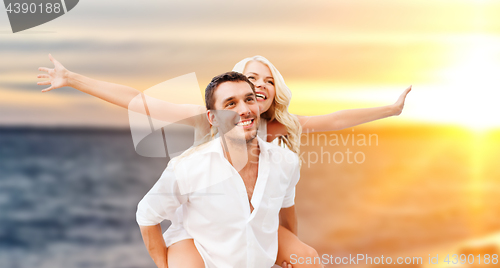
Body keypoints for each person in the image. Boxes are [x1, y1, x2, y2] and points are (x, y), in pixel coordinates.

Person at [37, 55, 411, 267]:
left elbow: (337, 120)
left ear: (273, 90)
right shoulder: (211, 117)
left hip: (250, 221)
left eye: (267, 80)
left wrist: (391, 110)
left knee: (307, 258)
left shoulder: (282, 128)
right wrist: (72, 78)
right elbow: (140, 102)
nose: (259, 86)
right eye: (251, 78)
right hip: (201, 223)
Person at [136, 71, 314, 268]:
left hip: (254, 252)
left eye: (249, 99)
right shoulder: (188, 167)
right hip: (204, 254)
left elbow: (286, 208)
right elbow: (147, 215)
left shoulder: (285, 161)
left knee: (308, 260)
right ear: (213, 118)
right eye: (231, 104)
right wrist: (163, 266)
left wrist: (285, 255)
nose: (244, 110)